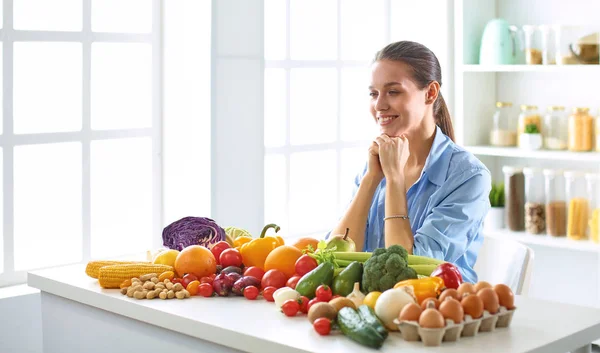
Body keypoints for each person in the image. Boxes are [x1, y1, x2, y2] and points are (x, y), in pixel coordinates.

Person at [328, 41, 491, 283]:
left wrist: (395, 179)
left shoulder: (469, 177)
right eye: (374, 93)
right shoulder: (375, 165)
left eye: (393, 92)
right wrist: (371, 179)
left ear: (431, 93)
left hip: (439, 310)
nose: (379, 105)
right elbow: (333, 258)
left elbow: (409, 273)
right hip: (376, 307)